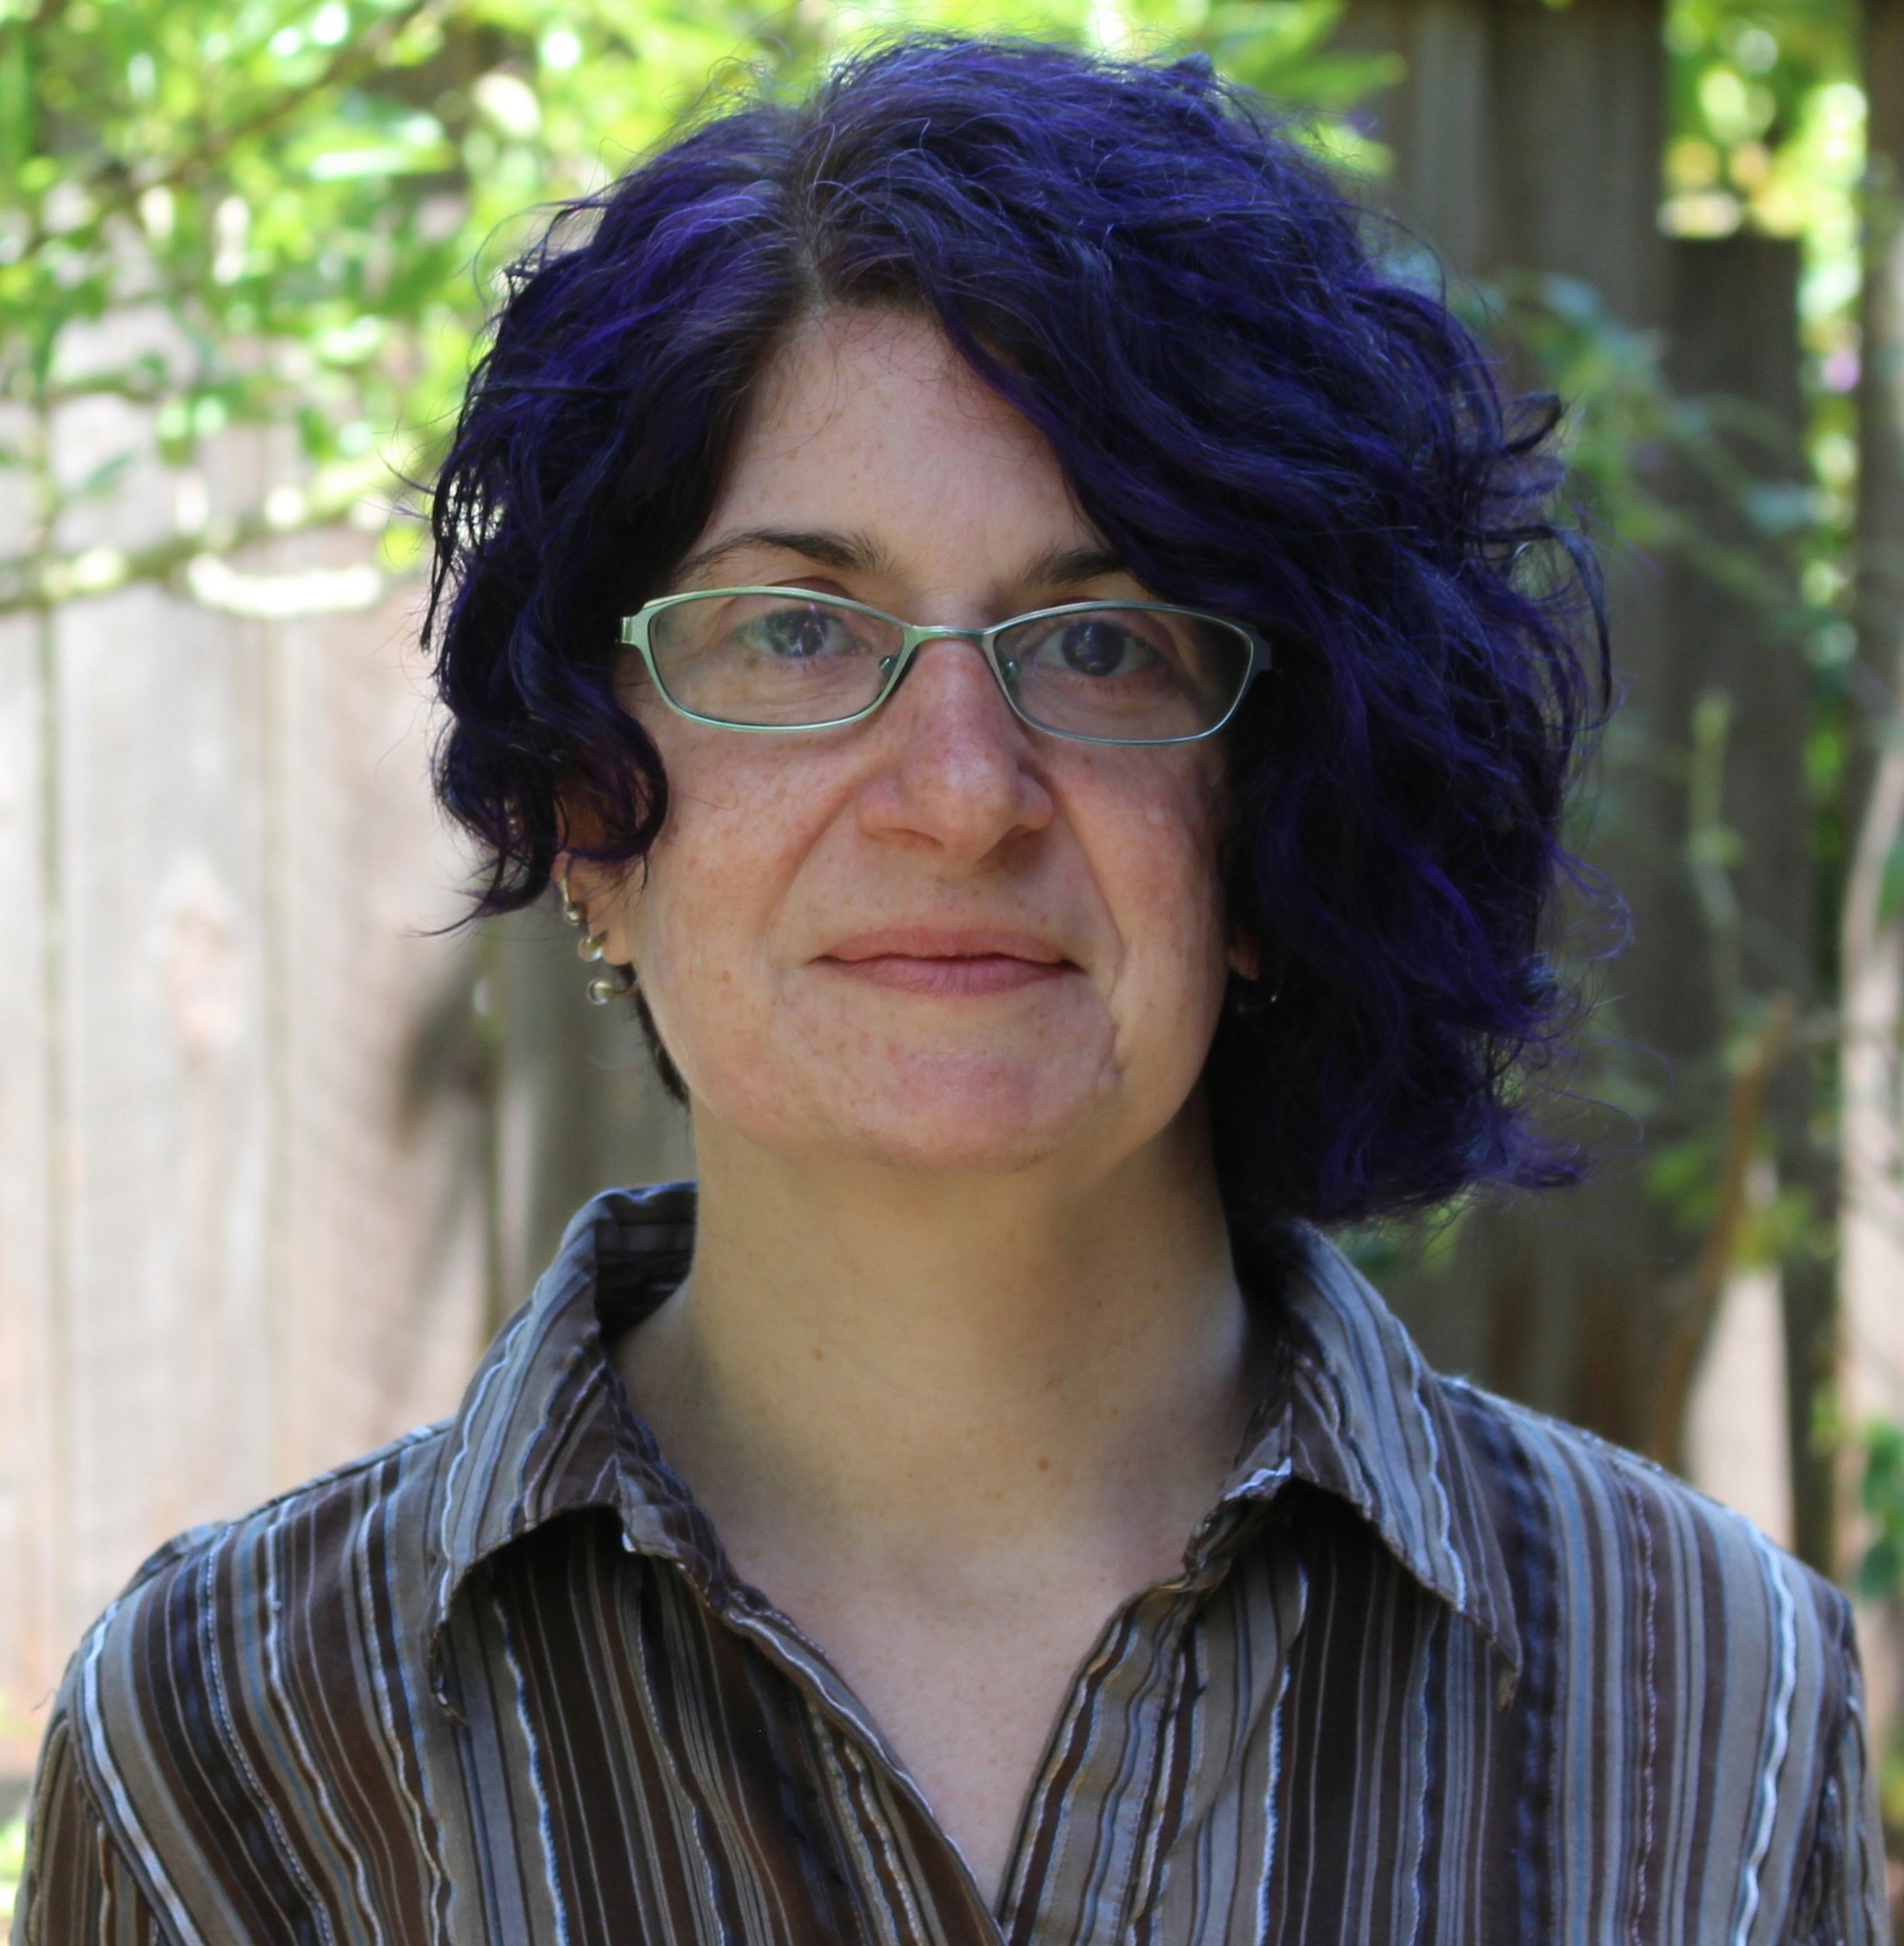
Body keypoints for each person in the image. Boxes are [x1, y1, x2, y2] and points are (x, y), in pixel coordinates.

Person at [18, 35, 1886, 1946]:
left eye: (1100, 643)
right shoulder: (225, 1748)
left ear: (1272, 819)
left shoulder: (1705, 1703)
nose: (961, 793)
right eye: (797, 627)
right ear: (592, 810)